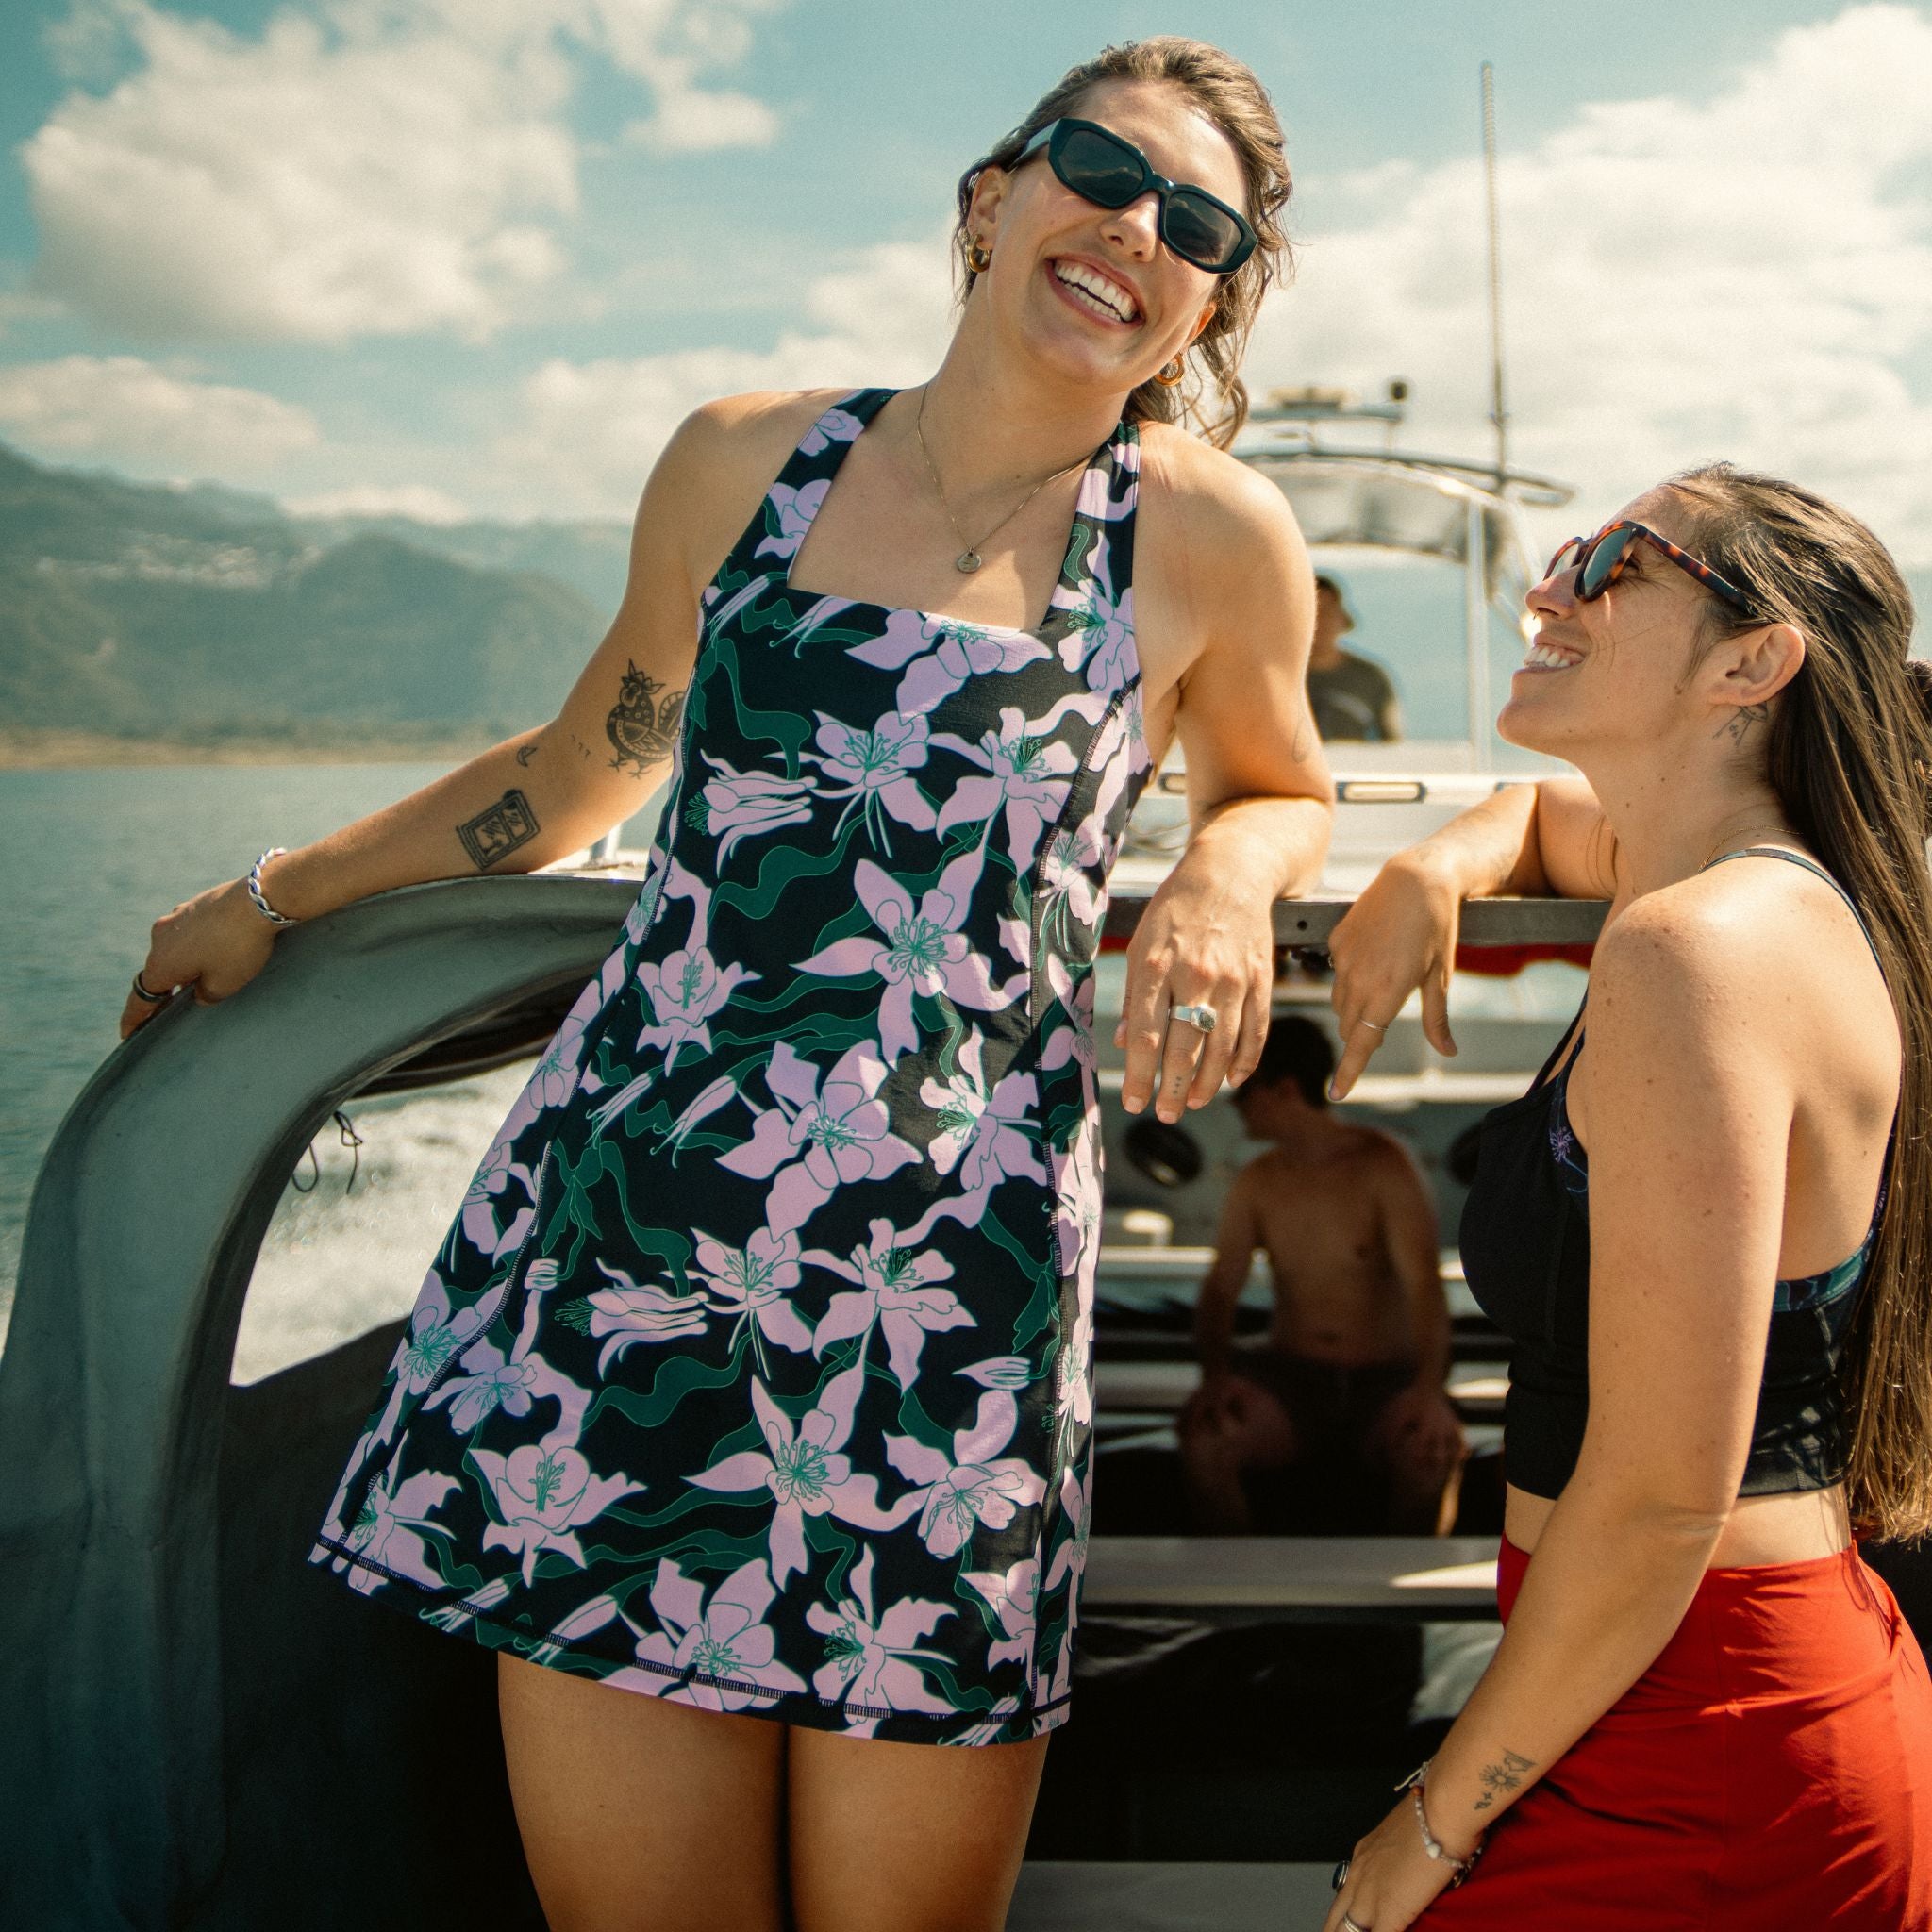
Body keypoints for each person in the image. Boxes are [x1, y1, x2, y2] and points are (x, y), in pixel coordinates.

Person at [122, 39, 1334, 1932]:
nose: (1133, 231)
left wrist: (1223, 882)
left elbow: (1277, 786)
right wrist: (282, 888)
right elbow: (579, 764)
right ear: (990, 193)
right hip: (631, 1279)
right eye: (1099, 171)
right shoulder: (743, 461)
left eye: (1199, 228)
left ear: (1208, 303)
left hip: (945, 1331)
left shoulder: (1203, 539)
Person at [1320, 468, 1932, 1932]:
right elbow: (1546, 823)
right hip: (1699, 1688)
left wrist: (1426, 1829)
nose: (1550, 587)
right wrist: (1437, 859)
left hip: (1704, 1736)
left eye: (1613, 563)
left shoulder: (1696, 952)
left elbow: (1663, 1500)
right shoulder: (1747, 877)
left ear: (1751, 662)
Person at [1178, 1015, 1464, 1535]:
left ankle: (1394, 1613)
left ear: (1285, 1089)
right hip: (1292, 1377)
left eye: (1244, 1091)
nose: (1235, 1105)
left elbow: (1425, 1285)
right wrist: (1215, 1376)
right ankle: (1236, 1607)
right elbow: (1222, 1288)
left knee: (1431, 1457)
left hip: (1384, 1380)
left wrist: (1429, 1389)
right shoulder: (1258, 1180)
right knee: (1207, 1441)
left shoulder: (1384, 1165)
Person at [1307, 572, 1401, 741]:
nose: (1320, 621)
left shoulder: (1371, 678)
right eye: (1312, 612)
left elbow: (1393, 742)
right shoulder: (1277, 678)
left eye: (1327, 611)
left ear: (1342, 619)